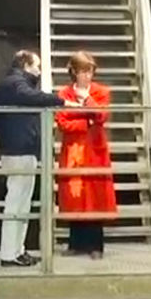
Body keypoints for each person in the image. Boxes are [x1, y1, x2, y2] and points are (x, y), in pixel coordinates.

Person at [0, 49, 67, 267]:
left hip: (19, 150)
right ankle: (9, 254)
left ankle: (16, 251)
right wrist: (60, 101)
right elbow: (31, 97)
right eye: (37, 66)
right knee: (17, 203)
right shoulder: (15, 83)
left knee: (21, 204)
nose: (39, 71)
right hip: (19, 150)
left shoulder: (12, 83)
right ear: (25, 65)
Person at [55, 52, 117, 259]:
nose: (86, 76)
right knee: (74, 196)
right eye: (82, 71)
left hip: (95, 150)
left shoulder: (101, 92)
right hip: (73, 152)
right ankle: (76, 243)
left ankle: (96, 245)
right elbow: (62, 122)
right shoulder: (64, 94)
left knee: (95, 196)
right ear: (74, 72)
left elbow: (101, 115)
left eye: (89, 71)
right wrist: (86, 122)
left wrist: (88, 102)